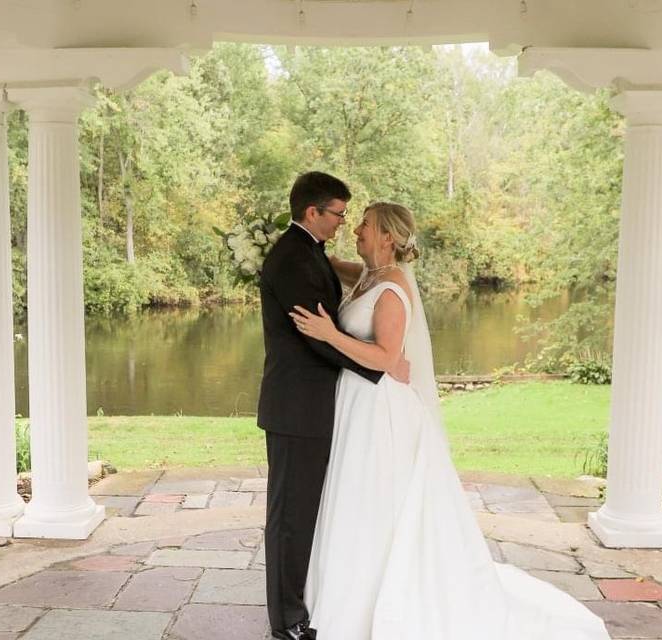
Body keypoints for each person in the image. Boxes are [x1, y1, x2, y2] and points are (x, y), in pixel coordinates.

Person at [289, 202, 610, 639]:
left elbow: (386, 359)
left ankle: (375, 600)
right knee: (353, 494)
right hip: (356, 405)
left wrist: (330, 334)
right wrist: (291, 246)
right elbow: (324, 261)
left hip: (379, 410)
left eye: (365, 224)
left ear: (387, 236)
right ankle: (344, 591)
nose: (357, 229)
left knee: (373, 497)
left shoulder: (392, 289)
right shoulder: (369, 275)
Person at [257, 173, 410, 640]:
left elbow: (358, 282)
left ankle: (306, 599)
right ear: (312, 213)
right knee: (290, 516)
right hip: (298, 407)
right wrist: (381, 366)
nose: (346, 224)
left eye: (355, 219)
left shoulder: (313, 255)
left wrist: (381, 360)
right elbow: (314, 335)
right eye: (340, 215)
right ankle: (287, 621)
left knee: (310, 512)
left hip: (320, 407)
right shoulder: (292, 260)